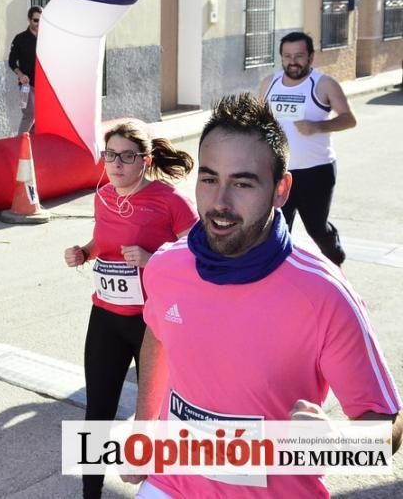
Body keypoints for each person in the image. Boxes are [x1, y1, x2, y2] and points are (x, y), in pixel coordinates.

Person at [131, 93, 400, 498]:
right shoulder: (167, 267)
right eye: (209, 179)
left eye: (242, 183)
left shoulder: (324, 294)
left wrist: (339, 443)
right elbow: (159, 333)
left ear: (281, 189)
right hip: (172, 484)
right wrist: (144, 429)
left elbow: (385, 422)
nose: (220, 203)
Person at [63, 121, 196, 499]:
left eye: (127, 156)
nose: (116, 164)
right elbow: (103, 240)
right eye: (110, 155)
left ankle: (156, 490)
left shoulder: (170, 200)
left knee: (152, 415)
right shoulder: (103, 195)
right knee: (97, 411)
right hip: (105, 317)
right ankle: (90, 495)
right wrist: (85, 252)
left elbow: (198, 256)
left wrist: (153, 259)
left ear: (145, 160)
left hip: (150, 324)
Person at [258, 31, 355, 266]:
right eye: (287, 56)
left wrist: (317, 126)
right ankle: (281, 271)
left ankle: (335, 263)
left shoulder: (324, 84)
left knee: (316, 227)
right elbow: (258, 120)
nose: (293, 62)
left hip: (316, 170)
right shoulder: (270, 83)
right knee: (277, 226)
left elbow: (349, 119)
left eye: (299, 56)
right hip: (279, 171)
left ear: (311, 57)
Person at [8, 6, 41, 135]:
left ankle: (31, 144)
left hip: (42, 86)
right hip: (25, 86)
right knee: (29, 115)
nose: (38, 23)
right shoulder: (20, 39)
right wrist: (21, 75)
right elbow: (11, 62)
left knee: (40, 117)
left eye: (41, 20)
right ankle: (19, 144)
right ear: (29, 19)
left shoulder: (46, 38)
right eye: (35, 20)